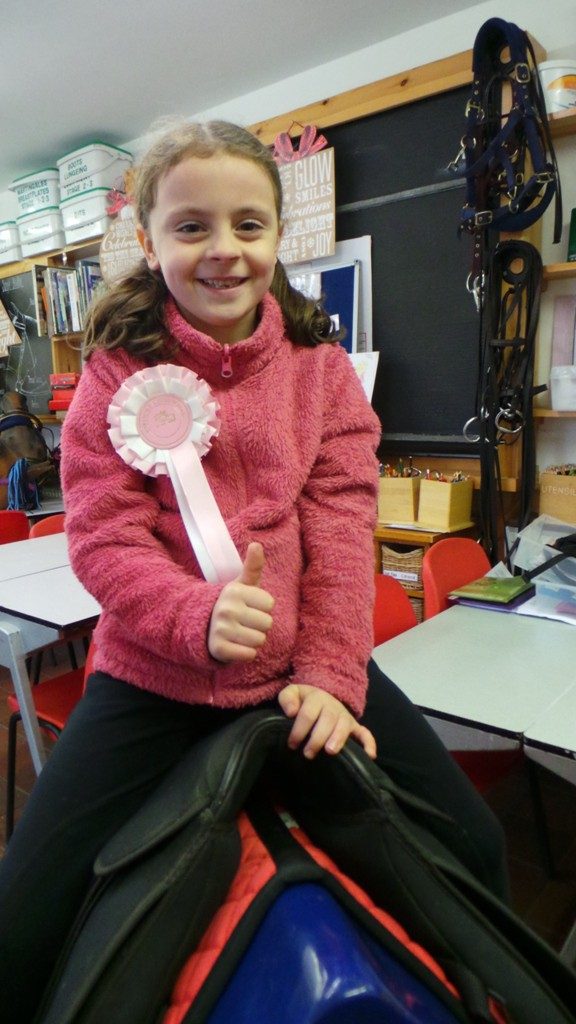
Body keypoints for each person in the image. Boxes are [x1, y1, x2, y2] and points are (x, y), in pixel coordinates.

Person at [0, 119, 507, 1022]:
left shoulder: (323, 374)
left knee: (471, 845)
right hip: (153, 678)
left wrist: (328, 675)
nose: (223, 249)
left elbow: (345, 529)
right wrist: (190, 616)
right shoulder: (116, 377)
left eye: (248, 224)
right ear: (150, 244)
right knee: (24, 911)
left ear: (280, 236)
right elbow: (105, 540)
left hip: (301, 673)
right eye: (191, 227)